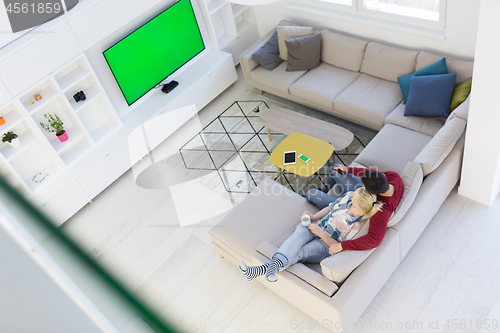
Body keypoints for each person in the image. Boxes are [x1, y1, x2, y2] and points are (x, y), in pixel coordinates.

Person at [239, 187, 383, 282]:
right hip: (317, 224)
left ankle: (260, 270)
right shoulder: (348, 197)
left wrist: (320, 233)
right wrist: (314, 217)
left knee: (300, 252)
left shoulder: (359, 224)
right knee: (297, 236)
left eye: (354, 196)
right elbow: (329, 208)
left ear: (358, 205)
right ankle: (268, 271)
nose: (352, 194)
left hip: (325, 245)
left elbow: (337, 246)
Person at [307, 164, 403, 253]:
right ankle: (327, 191)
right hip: (357, 194)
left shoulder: (382, 210)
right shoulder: (394, 176)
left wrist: (342, 246)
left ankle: (327, 199)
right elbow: (371, 174)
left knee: (311, 194)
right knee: (336, 169)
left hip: (357, 203)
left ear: (371, 192)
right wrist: (348, 169)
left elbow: (375, 240)